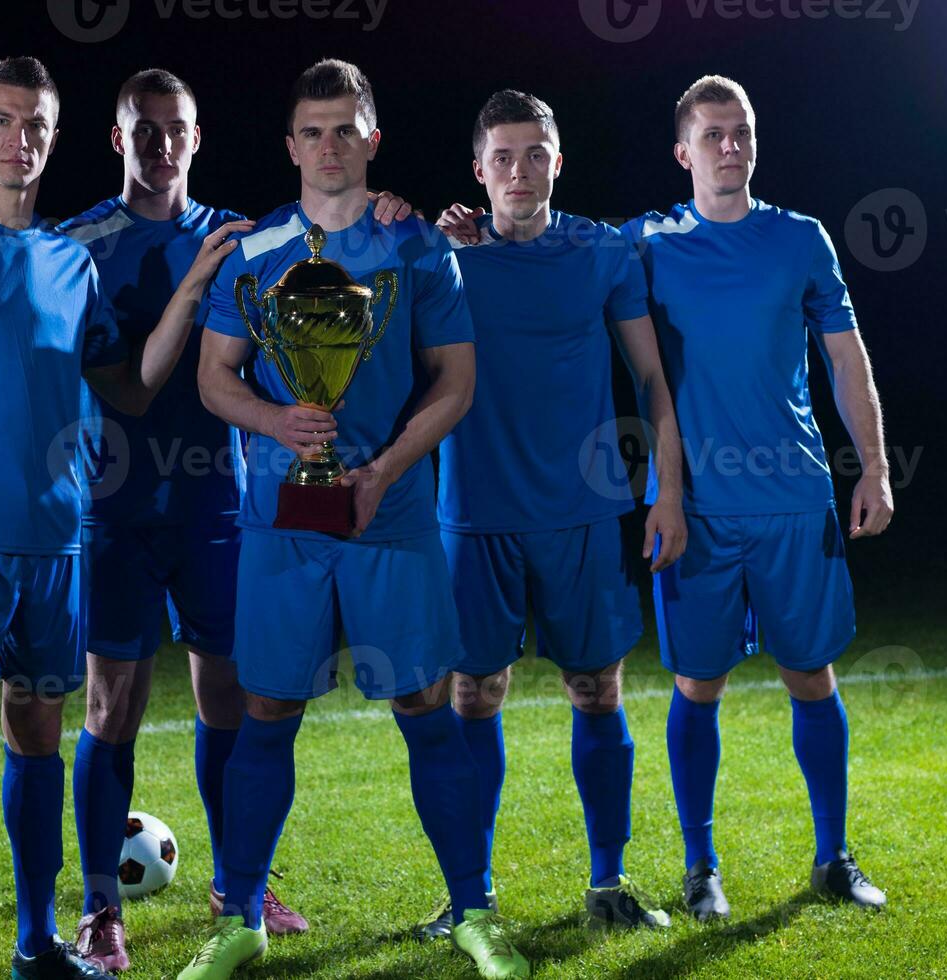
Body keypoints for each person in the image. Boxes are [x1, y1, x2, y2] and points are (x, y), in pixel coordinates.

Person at [0, 57, 235, 980]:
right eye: (4, 120)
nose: (19, 138)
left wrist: (187, 295)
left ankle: (37, 944)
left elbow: (133, 390)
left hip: (57, 551)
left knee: (36, 742)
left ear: (55, 139)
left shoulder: (71, 262)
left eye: (35, 124)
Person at [178, 59, 530, 979]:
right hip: (282, 521)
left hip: (392, 512)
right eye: (312, 131)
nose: (328, 147)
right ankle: (241, 917)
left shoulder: (415, 246)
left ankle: (471, 910)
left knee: (422, 705)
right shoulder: (255, 253)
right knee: (267, 708)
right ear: (290, 145)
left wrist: (378, 471)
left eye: (345, 130)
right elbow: (214, 378)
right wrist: (274, 420)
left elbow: (455, 382)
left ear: (371, 139)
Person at [57, 68, 412, 972]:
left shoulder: (248, 241)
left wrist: (403, 217)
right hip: (116, 509)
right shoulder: (78, 244)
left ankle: (238, 887)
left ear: (197, 135)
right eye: (142, 129)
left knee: (236, 702)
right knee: (112, 707)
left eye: (175, 128)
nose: (160, 144)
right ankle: (102, 909)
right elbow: (118, 386)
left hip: (221, 506)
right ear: (116, 138)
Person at [620, 75, 893, 921]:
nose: (729, 146)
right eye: (711, 135)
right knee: (697, 683)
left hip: (792, 498)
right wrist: (479, 231)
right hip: (693, 507)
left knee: (810, 674)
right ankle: (701, 868)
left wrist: (874, 468)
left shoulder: (800, 239)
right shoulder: (646, 241)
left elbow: (846, 361)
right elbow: (547, 249)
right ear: (682, 151)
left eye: (740, 132)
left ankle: (832, 859)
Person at [430, 89, 686, 935]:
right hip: (474, 510)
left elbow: (651, 380)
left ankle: (607, 885)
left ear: (557, 161)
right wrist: (432, 241)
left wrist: (665, 492)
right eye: (501, 156)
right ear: (478, 170)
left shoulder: (601, 252)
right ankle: (472, 895)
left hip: (581, 511)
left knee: (596, 691)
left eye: (534, 153)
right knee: (473, 693)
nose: (518, 170)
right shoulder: (448, 257)